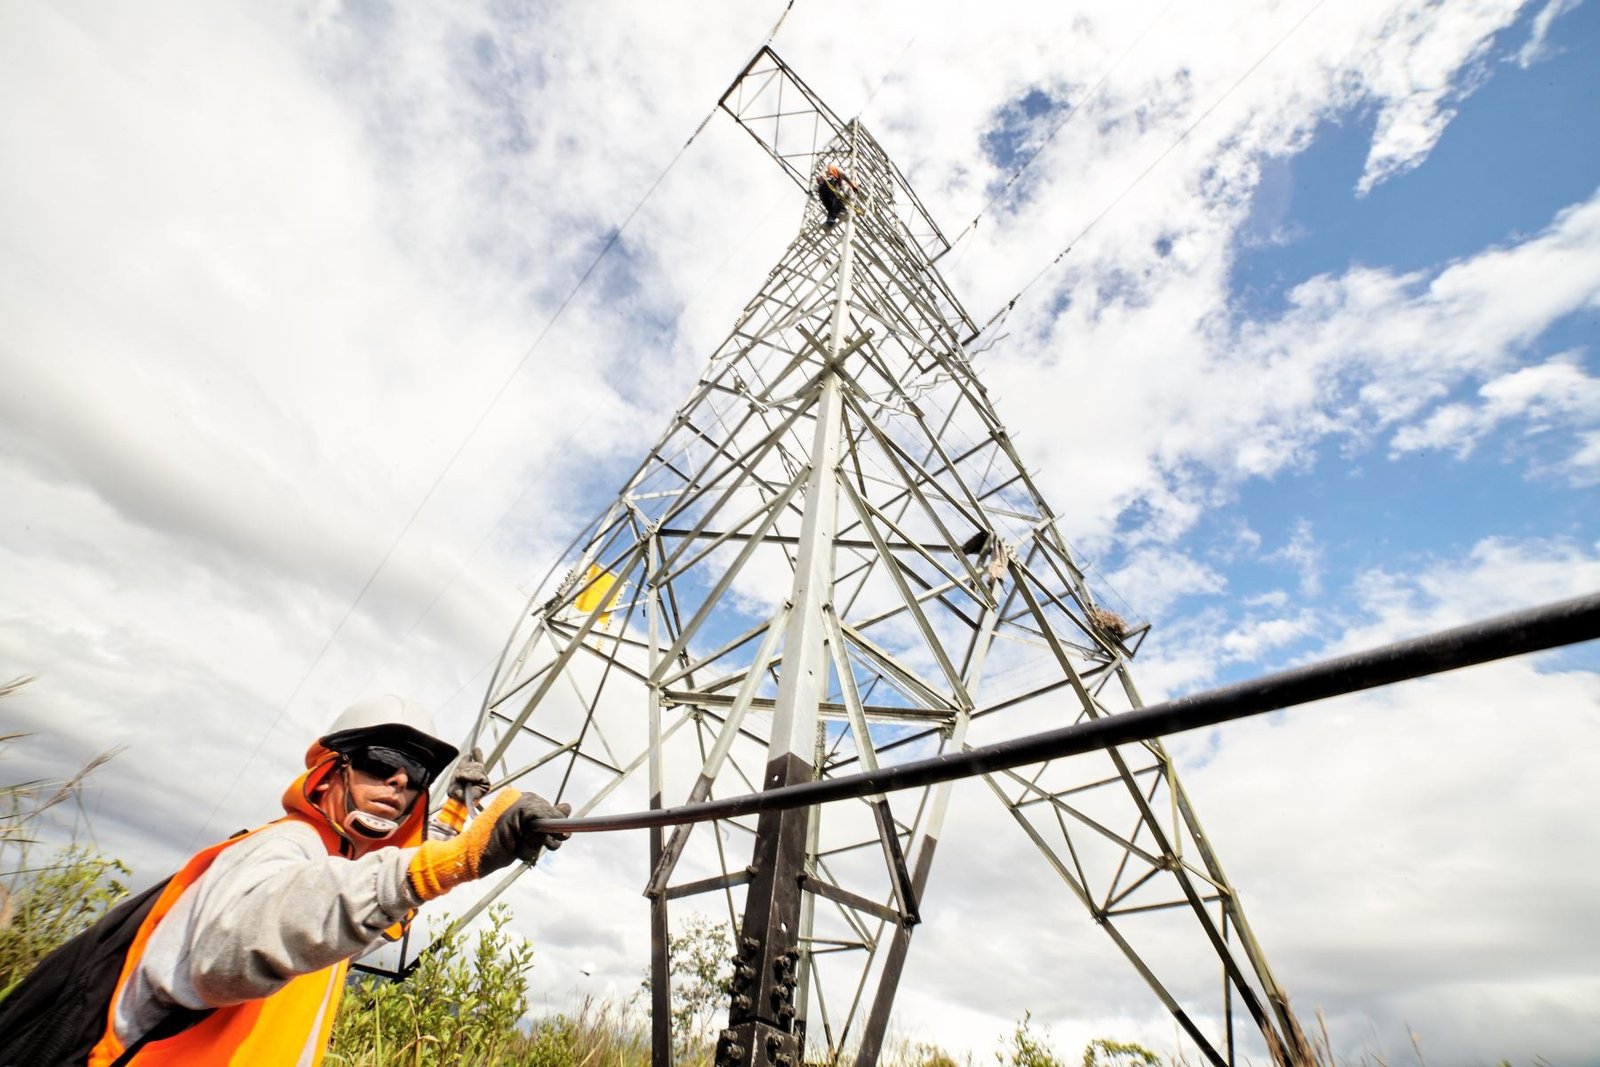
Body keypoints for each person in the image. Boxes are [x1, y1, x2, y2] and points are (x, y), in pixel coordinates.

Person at [2, 695, 570, 1066]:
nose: (398, 782)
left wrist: (450, 821)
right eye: (378, 762)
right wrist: (456, 859)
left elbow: (363, 915)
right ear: (328, 774)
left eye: (414, 774)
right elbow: (247, 940)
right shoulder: (282, 849)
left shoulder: (337, 876)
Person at [815, 164, 858, 229]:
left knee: (831, 209)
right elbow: (844, 176)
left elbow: (819, 180)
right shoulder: (834, 169)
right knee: (837, 199)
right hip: (829, 183)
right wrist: (853, 185)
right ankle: (842, 211)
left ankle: (829, 223)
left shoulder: (823, 174)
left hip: (822, 192)